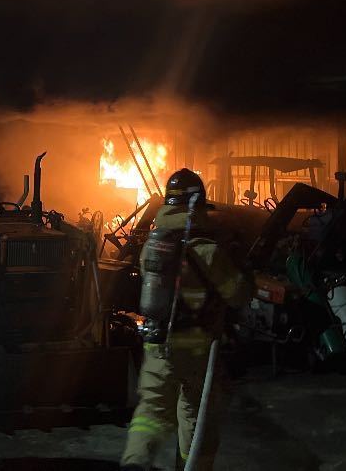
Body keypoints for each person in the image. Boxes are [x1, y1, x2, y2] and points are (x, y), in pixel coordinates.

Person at [121, 168, 251, 471]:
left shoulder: (153, 246)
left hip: (157, 346)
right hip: (196, 350)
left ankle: (135, 462)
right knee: (195, 415)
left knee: (150, 413)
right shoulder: (207, 250)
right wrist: (240, 264)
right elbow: (238, 295)